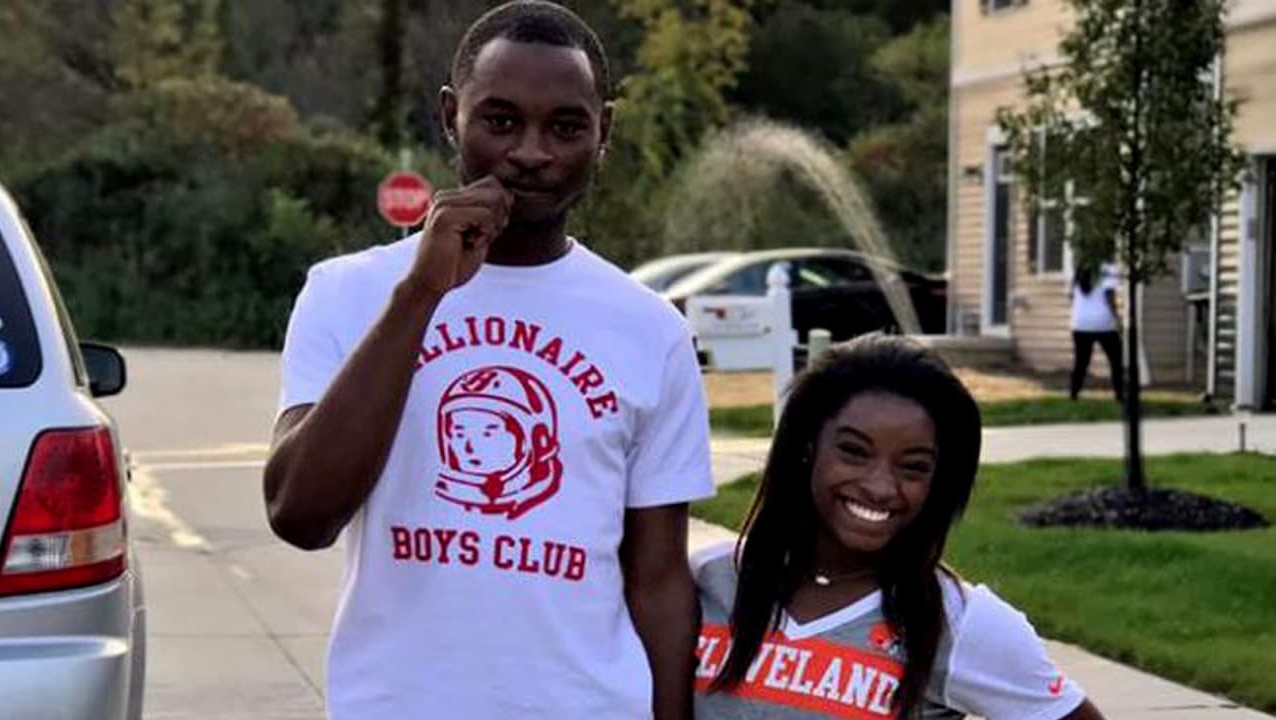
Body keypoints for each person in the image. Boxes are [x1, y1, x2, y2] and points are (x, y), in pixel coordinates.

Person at [262, 3, 713, 718]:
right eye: (500, 121)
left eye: (566, 127)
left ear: (604, 131)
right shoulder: (348, 293)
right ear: (452, 116)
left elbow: (657, 582)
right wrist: (420, 294)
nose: (531, 152)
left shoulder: (651, 330)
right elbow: (300, 514)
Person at [692, 334, 1106, 720]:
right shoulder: (708, 580)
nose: (880, 487)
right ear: (807, 447)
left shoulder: (958, 623)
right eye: (854, 452)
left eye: (913, 467)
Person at [1070, 263, 1124, 401]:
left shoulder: (1078, 270)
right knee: (1115, 361)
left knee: (1081, 362)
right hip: (1104, 323)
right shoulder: (1108, 269)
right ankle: (1119, 394)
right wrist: (1117, 319)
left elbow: (1071, 296)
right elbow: (1110, 297)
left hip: (1081, 323)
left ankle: (1074, 394)